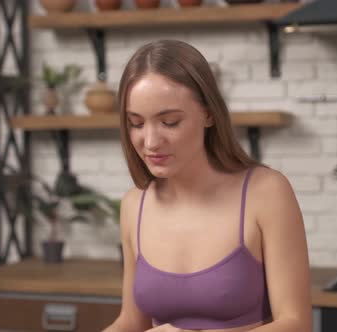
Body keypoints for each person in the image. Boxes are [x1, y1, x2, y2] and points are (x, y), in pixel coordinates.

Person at [103, 40, 311, 332]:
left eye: (170, 122)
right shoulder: (133, 205)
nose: (150, 142)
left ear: (209, 113)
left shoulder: (266, 192)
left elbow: (296, 324)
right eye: (136, 123)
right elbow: (131, 321)